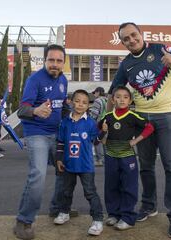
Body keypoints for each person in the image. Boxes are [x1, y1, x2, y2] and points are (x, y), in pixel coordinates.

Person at [107, 22, 171, 238]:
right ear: (122, 42)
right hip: (141, 119)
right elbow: (113, 94)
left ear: (141, 34)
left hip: (168, 115)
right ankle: (149, 206)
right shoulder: (126, 64)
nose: (131, 40)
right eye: (126, 39)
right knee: (145, 166)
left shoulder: (160, 49)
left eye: (133, 35)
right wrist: (106, 121)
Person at [13, 44, 68, 240]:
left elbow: (61, 107)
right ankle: (24, 220)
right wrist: (36, 110)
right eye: (51, 60)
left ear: (63, 62)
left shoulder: (63, 80)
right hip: (36, 133)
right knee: (38, 175)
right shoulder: (34, 80)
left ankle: (57, 208)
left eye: (59, 60)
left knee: (64, 171)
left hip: (57, 133)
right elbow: (22, 110)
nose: (55, 64)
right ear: (45, 60)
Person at [101, 86, 154, 230]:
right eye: (118, 96)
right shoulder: (108, 117)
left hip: (127, 157)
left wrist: (136, 141)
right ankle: (113, 214)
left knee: (129, 186)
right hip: (111, 156)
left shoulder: (133, 116)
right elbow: (98, 133)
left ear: (130, 100)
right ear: (113, 100)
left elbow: (149, 127)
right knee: (111, 185)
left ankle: (128, 217)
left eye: (125, 97)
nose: (121, 99)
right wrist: (102, 136)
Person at [54, 89, 104, 236]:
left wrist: (103, 132)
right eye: (77, 101)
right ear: (71, 102)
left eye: (84, 102)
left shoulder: (90, 123)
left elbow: (96, 141)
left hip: (86, 165)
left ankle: (97, 219)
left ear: (88, 105)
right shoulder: (65, 122)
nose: (80, 104)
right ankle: (64, 212)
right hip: (68, 164)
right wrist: (58, 159)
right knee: (66, 191)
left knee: (90, 192)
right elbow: (61, 142)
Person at [89, 87, 107, 166]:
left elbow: (94, 114)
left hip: (99, 124)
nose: (94, 94)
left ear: (98, 92)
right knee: (105, 143)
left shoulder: (98, 101)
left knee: (97, 142)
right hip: (108, 124)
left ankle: (99, 160)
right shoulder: (107, 100)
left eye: (95, 93)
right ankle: (107, 159)